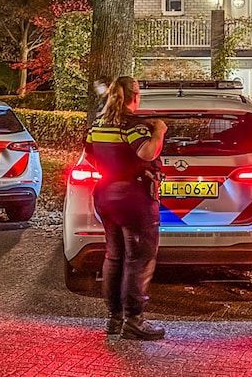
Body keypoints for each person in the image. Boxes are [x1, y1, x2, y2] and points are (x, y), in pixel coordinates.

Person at [84, 76, 168, 340]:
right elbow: (147, 153)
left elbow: (89, 156)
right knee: (139, 258)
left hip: (105, 197)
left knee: (114, 256)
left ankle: (114, 318)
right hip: (134, 200)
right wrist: (159, 131)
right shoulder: (132, 126)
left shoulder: (99, 124)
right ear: (135, 96)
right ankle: (134, 320)